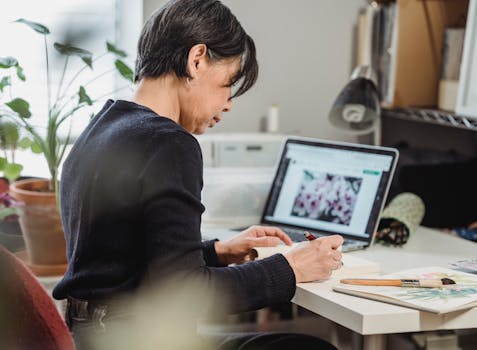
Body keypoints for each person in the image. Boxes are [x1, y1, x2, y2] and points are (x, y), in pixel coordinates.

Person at [53, 0, 344, 349]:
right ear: (197, 60)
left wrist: (217, 251)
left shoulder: (101, 128)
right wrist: (291, 267)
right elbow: (187, 293)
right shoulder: (169, 143)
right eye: (227, 84)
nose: (229, 103)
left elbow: (125, 264)